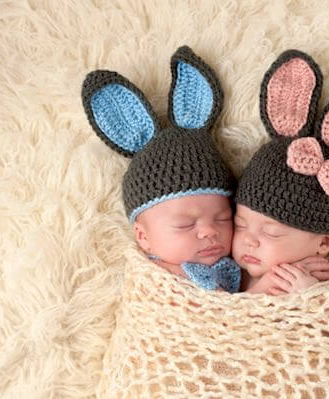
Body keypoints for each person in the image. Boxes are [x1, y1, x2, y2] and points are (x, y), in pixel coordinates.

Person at [81, 45, 240, 292]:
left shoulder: (235, 267)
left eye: (223, 219)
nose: (210, 231)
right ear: (143, 237)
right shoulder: (155, 277)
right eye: (185, 225)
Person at [232, 49, 329, 295]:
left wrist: (311, 295)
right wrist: (258, 293)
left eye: (272, 232)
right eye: (239, 225)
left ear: (324, 242)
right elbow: (220, 326)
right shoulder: (235, 277)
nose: (248, 240)